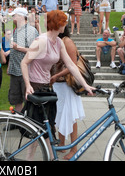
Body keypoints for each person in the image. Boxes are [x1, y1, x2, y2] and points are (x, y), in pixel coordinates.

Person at [21, 10, 95, 160]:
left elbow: (72, 66)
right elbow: (24, 62)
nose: (66, 25)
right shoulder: (41, 41)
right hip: (35, 85)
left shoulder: (59, 42)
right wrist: (28, 85)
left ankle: (50, 157)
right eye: (64, 22)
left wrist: (86, 85)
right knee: (38, 128)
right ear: (57, 24)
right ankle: (29, 160)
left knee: (47, 128)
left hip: (46, 86)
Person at [49, 25, 86, 160]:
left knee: (71, 116)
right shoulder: (56, 41)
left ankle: (74, 148)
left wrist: (56, 75)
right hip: (58, 85)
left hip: (66, 85)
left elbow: (73, 65)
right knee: (60, 115)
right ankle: (62, 143)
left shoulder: (67, 41)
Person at [7, 7, 39, 113]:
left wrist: (18, 47)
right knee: (16, 99)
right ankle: (17, 121)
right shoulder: (16, 30)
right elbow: (13, 51)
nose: (13, 18)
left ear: (20, 17)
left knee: (28, 99)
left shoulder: (31, 31)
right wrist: (9, 66)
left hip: (26, 72)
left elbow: (35, 51)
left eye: (14, 16)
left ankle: (27, 124)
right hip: (15, 70)